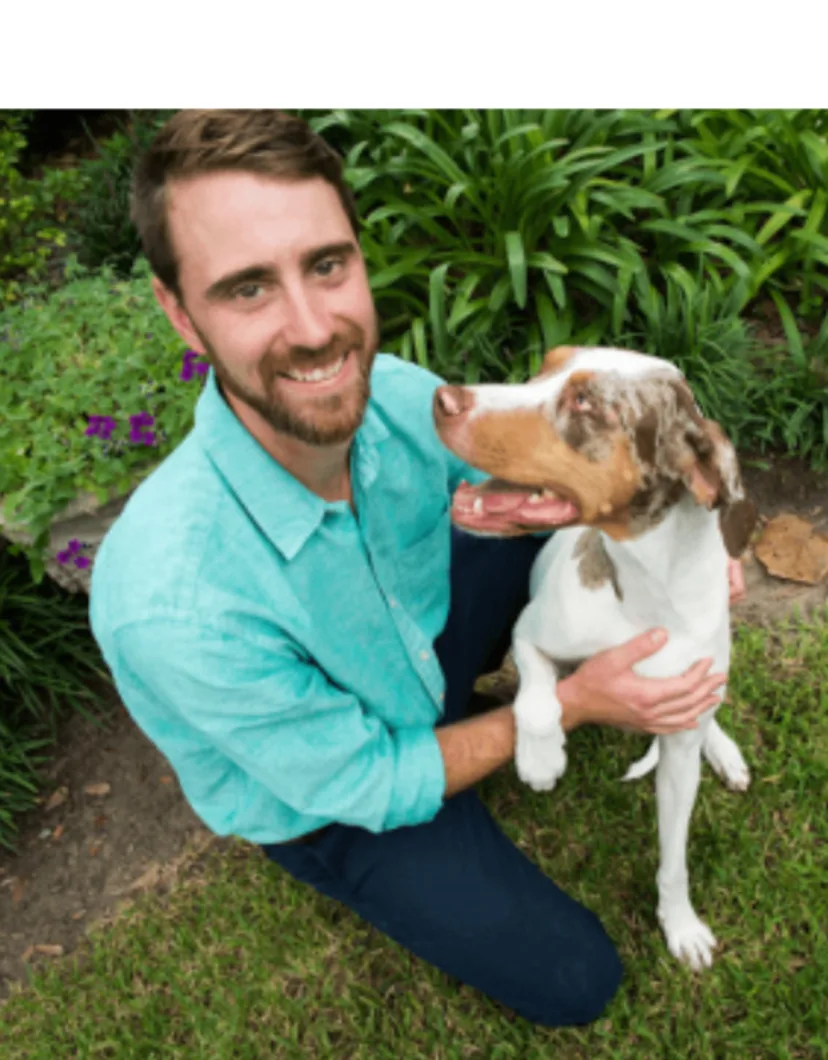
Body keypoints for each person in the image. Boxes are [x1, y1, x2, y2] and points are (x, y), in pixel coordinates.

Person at [89, 109, 743, 1028]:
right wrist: (566, 705)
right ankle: (480, 733)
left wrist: (687, 555)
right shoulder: (170, 603)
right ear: (178, 311)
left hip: (424, 632)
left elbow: (556, 491)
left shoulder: (393, 393)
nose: (315, 328)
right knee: (575, 981)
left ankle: (491, 690)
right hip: (343, 783)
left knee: (539, 549)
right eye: (248, 288)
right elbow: (371, 782)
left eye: (327, 264)